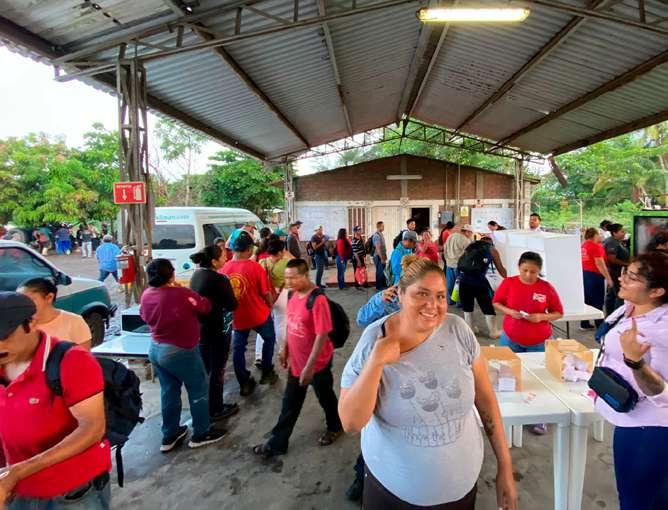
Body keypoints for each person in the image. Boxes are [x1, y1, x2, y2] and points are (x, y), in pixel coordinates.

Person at [338, 258, 517, 509]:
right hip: (391, 496)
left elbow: (486, 399)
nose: (433, 305)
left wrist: (505, 466)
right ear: (400, 295)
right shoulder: (373, 341)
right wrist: (376, 362)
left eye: (440, 296)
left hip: (462, 493)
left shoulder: (458, 330)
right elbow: (350, 423)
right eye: (422, 294)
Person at [0, 291, 111, 509]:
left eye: (4, 336)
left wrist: (18, 471)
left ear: (31, 323)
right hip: (16, 492)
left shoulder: (71, 361)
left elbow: (92, 429)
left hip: (71, 493)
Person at [592, 251, 668, 509]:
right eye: (626, 272)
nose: (621, 278)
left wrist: (635, 362)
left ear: (656, 291)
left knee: (638, 501)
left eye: (632, 277)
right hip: (627, 416)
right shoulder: (629, 307)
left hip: (649, 428)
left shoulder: (661, 330)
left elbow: (663, 392)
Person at [252, 258, 343, 459]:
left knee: (325, 395)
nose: (289, 282)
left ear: (305, 275)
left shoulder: (317, 300)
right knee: (290, 402)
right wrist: (285, 349)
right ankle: (277, 443)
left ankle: (336, 426)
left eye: (293, 278)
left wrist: (310, 367)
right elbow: (290, 323)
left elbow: (322, 335)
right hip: (297, 361)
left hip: (317, 363)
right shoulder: (292, 294)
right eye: (286, 278)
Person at [140, 259, 226, 451]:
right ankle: (201, 432)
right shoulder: (180, 294)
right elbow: (204, 306)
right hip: (181, 349)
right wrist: (180, 289)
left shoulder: (146, 295)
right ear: (171, 274)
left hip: (156, 348)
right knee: (198, 389)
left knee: (169, 391)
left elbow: (144, 316)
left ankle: (169, 435)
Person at [492, 251, 563, 435]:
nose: (528, 275)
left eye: (533, 272)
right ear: (519, 267)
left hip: (538, 341)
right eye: (525, 270)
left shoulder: (546, 288)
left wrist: (541, 317)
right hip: (511, 338)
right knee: (508, 375)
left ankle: (540, 416)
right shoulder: (509, 283)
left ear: (539, 271)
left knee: (538, 379)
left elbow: (558, 312)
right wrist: (510, 312)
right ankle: (511, 411)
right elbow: (496, 302)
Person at [221, 231, 279, 395]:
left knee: (238, 350)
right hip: (259, 314)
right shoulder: (255, 267)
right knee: (269, 339)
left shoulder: (224, 269)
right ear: (248, 249)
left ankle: (244, 383)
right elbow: (266, 293)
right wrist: (270, 306)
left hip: (237, 318)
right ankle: (267, 372)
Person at [189, 245, 239, 421]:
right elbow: (232, 304)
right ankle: (216, 408)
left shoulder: (196, 275)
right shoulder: (219, 279)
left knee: (207, 369)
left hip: (202, 329)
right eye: (222, 256)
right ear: (214, 261)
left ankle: (207, 405)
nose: (226, 258)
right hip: (218, 329)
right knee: (218, 369)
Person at [17, 278, 93, 350]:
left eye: (29, 299)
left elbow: (84, 356)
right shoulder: (18, 324)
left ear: (49, 297)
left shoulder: (74, 322)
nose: (22, 305)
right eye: (20, 300)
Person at [255, 238, 293, 369]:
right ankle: (282, 351)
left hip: (265, 296)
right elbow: (299, 265)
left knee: (263, 325)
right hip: (281, 295)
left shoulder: (262, 262)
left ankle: (259, 355)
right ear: (280, 251)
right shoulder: (286, 262)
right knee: (281, 324)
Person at [458, 236, 506, 338]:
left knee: (467, 307)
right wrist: (510, 279)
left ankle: (470, 329)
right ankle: (493, 332)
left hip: (463, 280)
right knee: (487, 306)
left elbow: (461, 262)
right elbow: (500, 268)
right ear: (491, 243)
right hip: (479, 282)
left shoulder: (470, 246)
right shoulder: (492, 250)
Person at [580, 227, 614, 330]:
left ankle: (584, 323)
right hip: (595, 275)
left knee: (587, 300)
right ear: (594, 235)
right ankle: (600, 324)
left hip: (585, 274)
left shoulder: (584, 245)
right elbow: (600, 264)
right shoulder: (596, 246)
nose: (600, 236)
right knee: (598, 300)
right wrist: (608, 278)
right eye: (599, 234)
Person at [604, 223, 630, 316]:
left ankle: (610, 315)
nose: (624, 233)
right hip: (614, 272)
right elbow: (612, 259)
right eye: (622, 231)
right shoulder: (612, 242)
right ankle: (616, 316)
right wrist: (627, 264)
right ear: (614, 233)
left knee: (611, 294)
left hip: (614, 271)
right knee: (618, 294)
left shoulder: (615, 241)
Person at [444, 225, 473, 306]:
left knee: (450, 284)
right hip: (459, 266)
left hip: (449, 264)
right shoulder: (465, 240)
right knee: (459, 285)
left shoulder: (450, 236)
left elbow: (445, 249)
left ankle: (450, 301)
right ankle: (459, 303)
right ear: (467, 232)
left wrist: (447, 260)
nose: (471, 235)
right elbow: (469, 255)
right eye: (471, 233)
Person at [371, 221, 387, 291]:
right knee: (379, 272)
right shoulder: (376, 236)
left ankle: (383, 286)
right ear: (379, 227)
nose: (383, 227)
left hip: (382, 256)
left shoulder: (381, 234)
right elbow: (378, 248)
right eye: (382, 226)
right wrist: (381, 258)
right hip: (378, 256)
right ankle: (379, 287)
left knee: (382, 272)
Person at [351, 226, 367, 290]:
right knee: (357, 271)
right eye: (358, 230)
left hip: (361, 257)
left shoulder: (361, 238)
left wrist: (364, 257)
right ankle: (357, 285)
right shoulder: (354, 240)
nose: (360, 231)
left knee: (363, 270)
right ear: (355, 232)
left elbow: (363, 248)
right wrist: (358, 261)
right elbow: (355, 252)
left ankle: (364, 283)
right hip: (356, 258)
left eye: (360, 230)